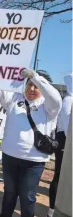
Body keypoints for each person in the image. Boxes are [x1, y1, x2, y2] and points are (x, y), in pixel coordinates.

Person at [0, 63, 62, 217]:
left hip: (34, 162)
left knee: (27, 197)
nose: (31, 89)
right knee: (9, 194)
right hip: (9, 157)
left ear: (43, 88)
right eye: (29, 84)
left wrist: (36, 77)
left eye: (36, 86)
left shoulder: (49, 108)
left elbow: (56, 98)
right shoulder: (14, 99)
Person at [47, 73, 72, 217]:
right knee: (59, 175)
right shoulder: (69, 100)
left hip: (67, 141)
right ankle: (52, 209)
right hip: (65, 142)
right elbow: (69, 126)